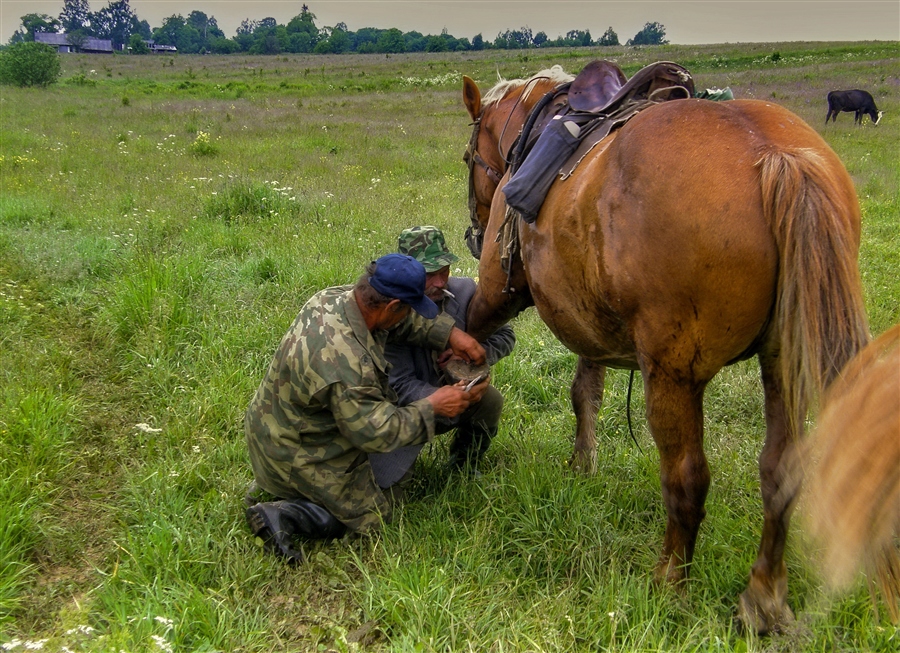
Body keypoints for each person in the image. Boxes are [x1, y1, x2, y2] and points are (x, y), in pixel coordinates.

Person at [244, 253, 486, 563]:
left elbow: (401, 322)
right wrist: (434, 406)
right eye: (407, 308)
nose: (409, 315)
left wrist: (449, 335)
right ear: (391, 307)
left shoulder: (332, 299)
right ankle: (289, 512)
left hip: (270, 430)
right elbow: (375, 433)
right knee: (375, 515)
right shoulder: (349, 363)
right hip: (293, 458)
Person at [384, 226, 516, 476]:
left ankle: (464, 465)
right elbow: (399, 385)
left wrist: (473, 354)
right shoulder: (391, 311)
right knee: (390, 492)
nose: (440, 282)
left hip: (458, 395)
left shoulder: (465, 292)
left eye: (444, 270)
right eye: (429, 274)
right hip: (406, 411)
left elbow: (505, 335)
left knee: (490, 401)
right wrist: (442, 398)